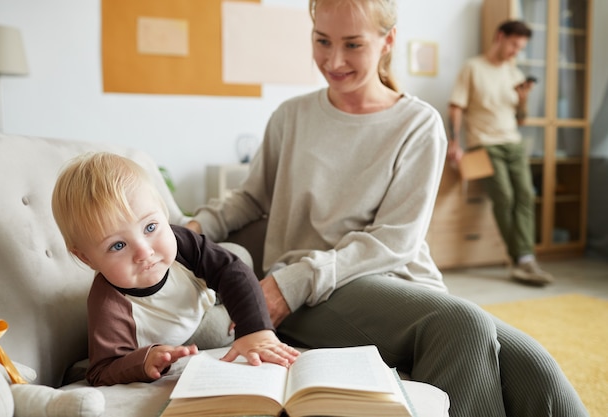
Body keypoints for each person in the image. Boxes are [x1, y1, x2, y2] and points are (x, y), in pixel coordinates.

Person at [187, 1, 589, 416]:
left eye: (353, 44)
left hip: (394, 277)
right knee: (462, 325)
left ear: (387, 41)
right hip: (315, 292)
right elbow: (250, 199)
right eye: (322, 40)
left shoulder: (418, 124)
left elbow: (394, 240)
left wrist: (292, 283)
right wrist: (188, 230)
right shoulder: (291, 117)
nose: (334, 59)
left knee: (535, 368)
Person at [51, 152, 299, 386]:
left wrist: (255, 330)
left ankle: (241, 301)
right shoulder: (108, 303)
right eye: (118, 245)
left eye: (150, 228)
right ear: (86, 259)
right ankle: (239, 304)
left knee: (237, 257)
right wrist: (145, 360)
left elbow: (230, 268)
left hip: (202, 296)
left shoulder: (180, 240)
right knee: (216, 329)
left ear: (164, 213)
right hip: (188, 334)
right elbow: (102, 369)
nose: (144, 252)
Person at [448, 20, 553, 286]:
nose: (516, 52)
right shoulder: (473, 68)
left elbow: (521, 120)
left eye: (521, 48)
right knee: (504, 197)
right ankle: (522, 260)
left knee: (526, 196)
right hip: (484, 144)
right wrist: (454, 142)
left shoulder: (514, 72)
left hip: (513, 143)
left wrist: (524, 99)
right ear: (500, 36)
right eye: (514, 45)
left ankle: (525, 260)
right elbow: (456, 106)